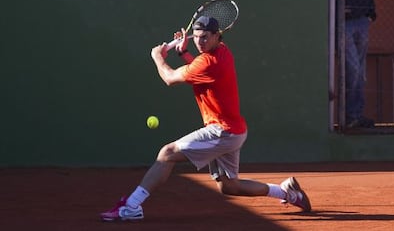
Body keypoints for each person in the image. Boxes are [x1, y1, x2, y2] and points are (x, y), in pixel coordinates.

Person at [100, 16, 311, 221]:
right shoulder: (223, 51)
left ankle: (131, 206)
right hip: (234, 131)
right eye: (197, 36)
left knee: (167, 153)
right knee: (229, 186)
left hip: (223, 131)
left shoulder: (209, 62)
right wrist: (183, 52)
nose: (200, 41)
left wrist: (157, 57)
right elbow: (199, 74)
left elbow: (170, 78)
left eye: (205, 37)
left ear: (217, 35)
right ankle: (289, 194)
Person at [344, 0, 376, 128]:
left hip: (362, 21)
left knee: (360, 71)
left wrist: (371, 13)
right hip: (345, 22)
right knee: (353, 69)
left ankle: (356, 114)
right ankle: (350, 115)